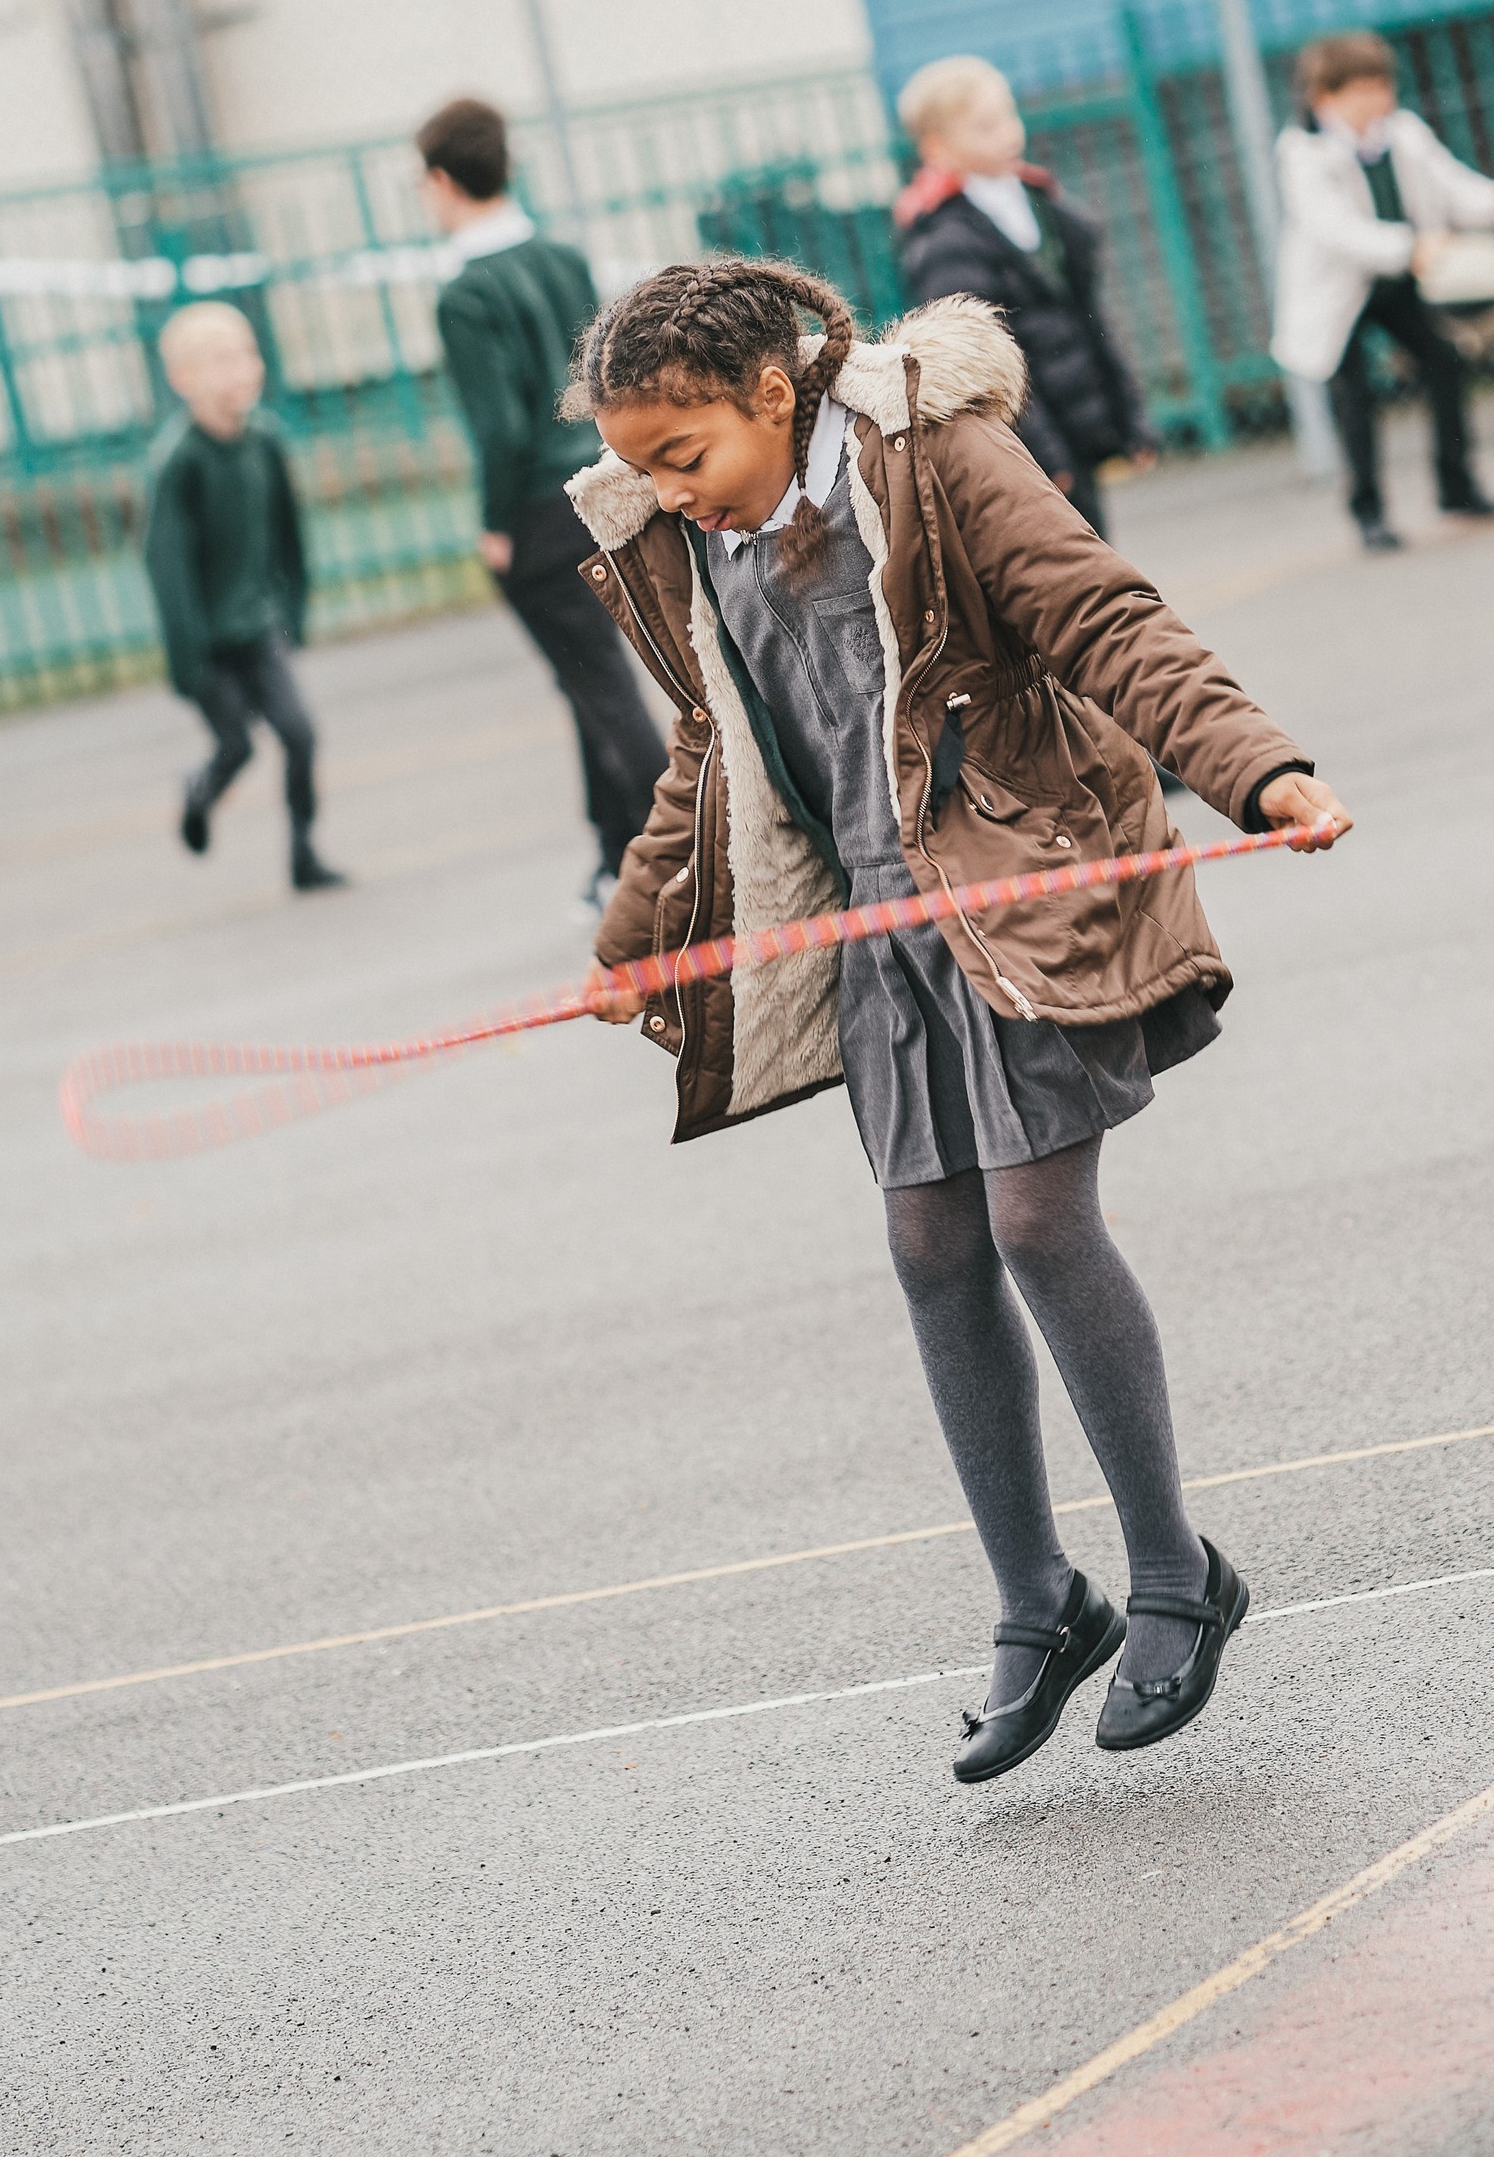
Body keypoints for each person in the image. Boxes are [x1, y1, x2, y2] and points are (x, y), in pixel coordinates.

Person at [560, 258, 1350, 1784]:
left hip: (1015, 889)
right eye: (641, 466)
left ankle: (1176, 1570)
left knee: (1039, 1222)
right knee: (929, 1247)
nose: (667, 491)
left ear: (771, 397)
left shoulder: (932, 463)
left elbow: (1106, 623)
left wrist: (1255, 767)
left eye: (685, 453)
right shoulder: (697, 541)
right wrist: (635, 938)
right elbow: (708, 757)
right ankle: (1037, 1600)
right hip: (879, 933)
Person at [417, 96, 666, 906]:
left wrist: (493, 525)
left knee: (603, 690)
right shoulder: (562, 259)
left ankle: (677, 856)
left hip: (537, 508)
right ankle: (612, 859)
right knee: (589, 681)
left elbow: (498, 427)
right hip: (604, 485)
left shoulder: (463, 296)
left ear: (441, 181)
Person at [1272, 30, 1494, 551]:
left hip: (1402, 280)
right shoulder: (1302, 152)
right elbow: (1334, 228)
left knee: (1444, 359)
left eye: (1383, 86)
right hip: (1340, 292)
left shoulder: (1403, 134)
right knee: (1354, 395)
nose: (1380, 100)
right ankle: (1369, 512)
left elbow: (1451, 184)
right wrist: (1410, 247)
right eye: (1364, 90)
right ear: (1327, 96)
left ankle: (1457, 488)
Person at [893, 54, 1156, 542]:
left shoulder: (1044, 204)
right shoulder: (945, 237)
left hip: (1076, 422)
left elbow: (1090, 319)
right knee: (1062, 566)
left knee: (1094, 550)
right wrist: (1042, 455)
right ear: (937, 147)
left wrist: (1128, 417)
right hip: (1026, 442)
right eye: (984, 126)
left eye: (1007, 115)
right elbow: (977, 362)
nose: (1007, 132)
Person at [143, 302, 345, 892]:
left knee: (299, 734)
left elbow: (289, 537)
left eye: (247, 355)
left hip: (259, 628)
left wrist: (293, 614)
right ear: (184, 380)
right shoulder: (178, 463)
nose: (241, 370)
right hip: (207, 644)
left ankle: (304, 855)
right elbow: (168, 571)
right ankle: (199, 791)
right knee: (236, 747)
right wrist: (187, 663)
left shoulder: (265, 442)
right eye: (221, 362)